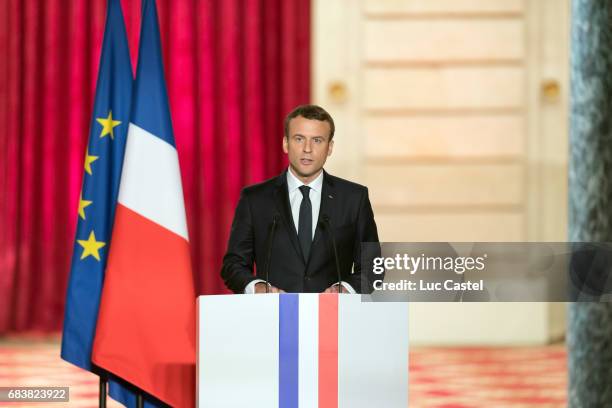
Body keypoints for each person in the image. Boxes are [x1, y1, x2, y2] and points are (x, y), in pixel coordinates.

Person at [221, 104, 379, 294]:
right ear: (285, 143)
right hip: (274, 316)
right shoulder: (255, 199)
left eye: (317, 140)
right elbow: (233, 265)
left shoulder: (354, 198)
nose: (307, 149)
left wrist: (344, 289)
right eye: (299, 139)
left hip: (334, 317)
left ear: (330, 147)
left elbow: (373, 268)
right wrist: (257, 287)